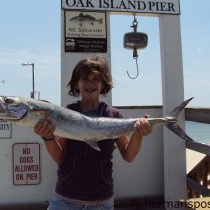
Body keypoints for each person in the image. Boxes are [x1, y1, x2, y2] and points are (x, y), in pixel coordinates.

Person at [34, 56, 152, 210]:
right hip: (65, 199)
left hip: (102, 201)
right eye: (84, 79)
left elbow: (128, 155)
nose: (90, 83)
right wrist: (48, 136)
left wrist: (138, 134)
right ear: (77, 83)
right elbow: (60, 157)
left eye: (95, 79)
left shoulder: (113, 115)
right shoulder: (67, 113)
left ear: (103, 84)